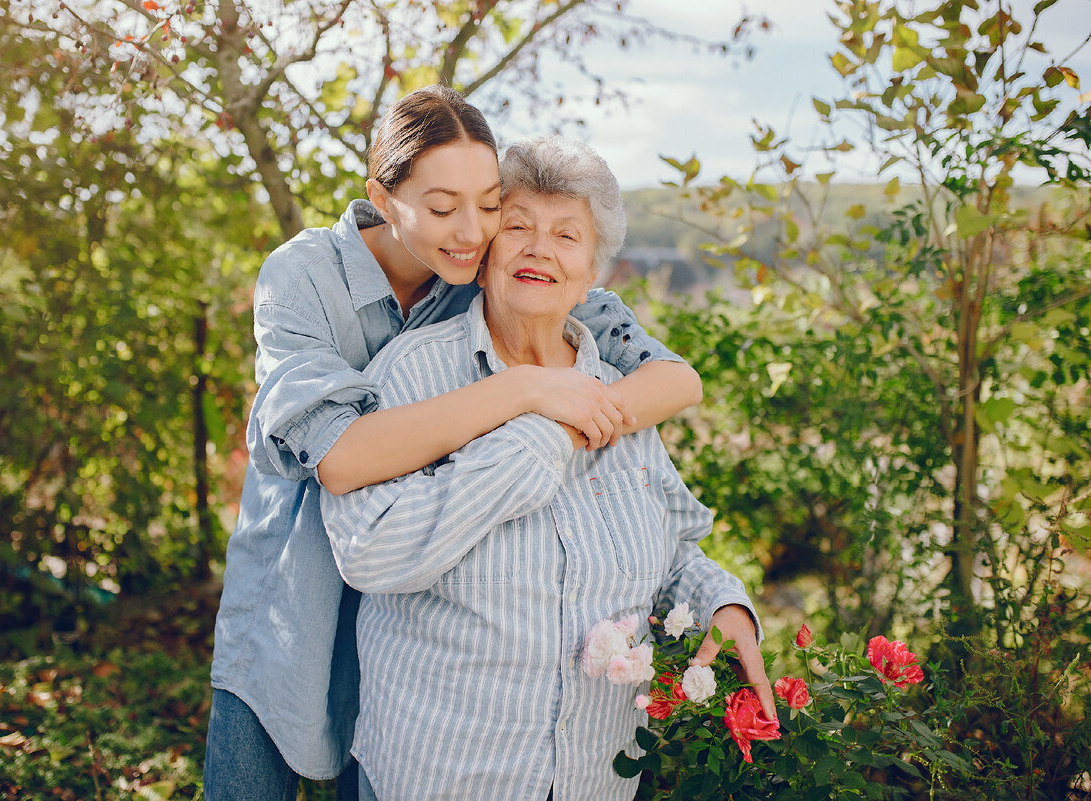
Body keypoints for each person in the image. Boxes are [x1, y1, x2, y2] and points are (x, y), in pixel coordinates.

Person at [204, 87, 705, 800]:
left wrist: (573, 420)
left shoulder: (494, 269)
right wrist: (525, 392)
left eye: (490, 202)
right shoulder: (303, 277)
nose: (471, 230)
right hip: (300, 596)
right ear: (382, 195)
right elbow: (341, 457)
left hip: (414, 620)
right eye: (442, 209)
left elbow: (676, 379)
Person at [321, 135, 774, 801]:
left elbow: (672, 546)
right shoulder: (413, 373)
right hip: (440, 776)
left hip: (598, 779)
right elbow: (369, 551)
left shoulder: (619, 385)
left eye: (566, 235)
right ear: (482, 256)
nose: (539, 248)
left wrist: (721, 602)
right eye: (518, 227)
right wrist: (543, 435)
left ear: (591, 273)